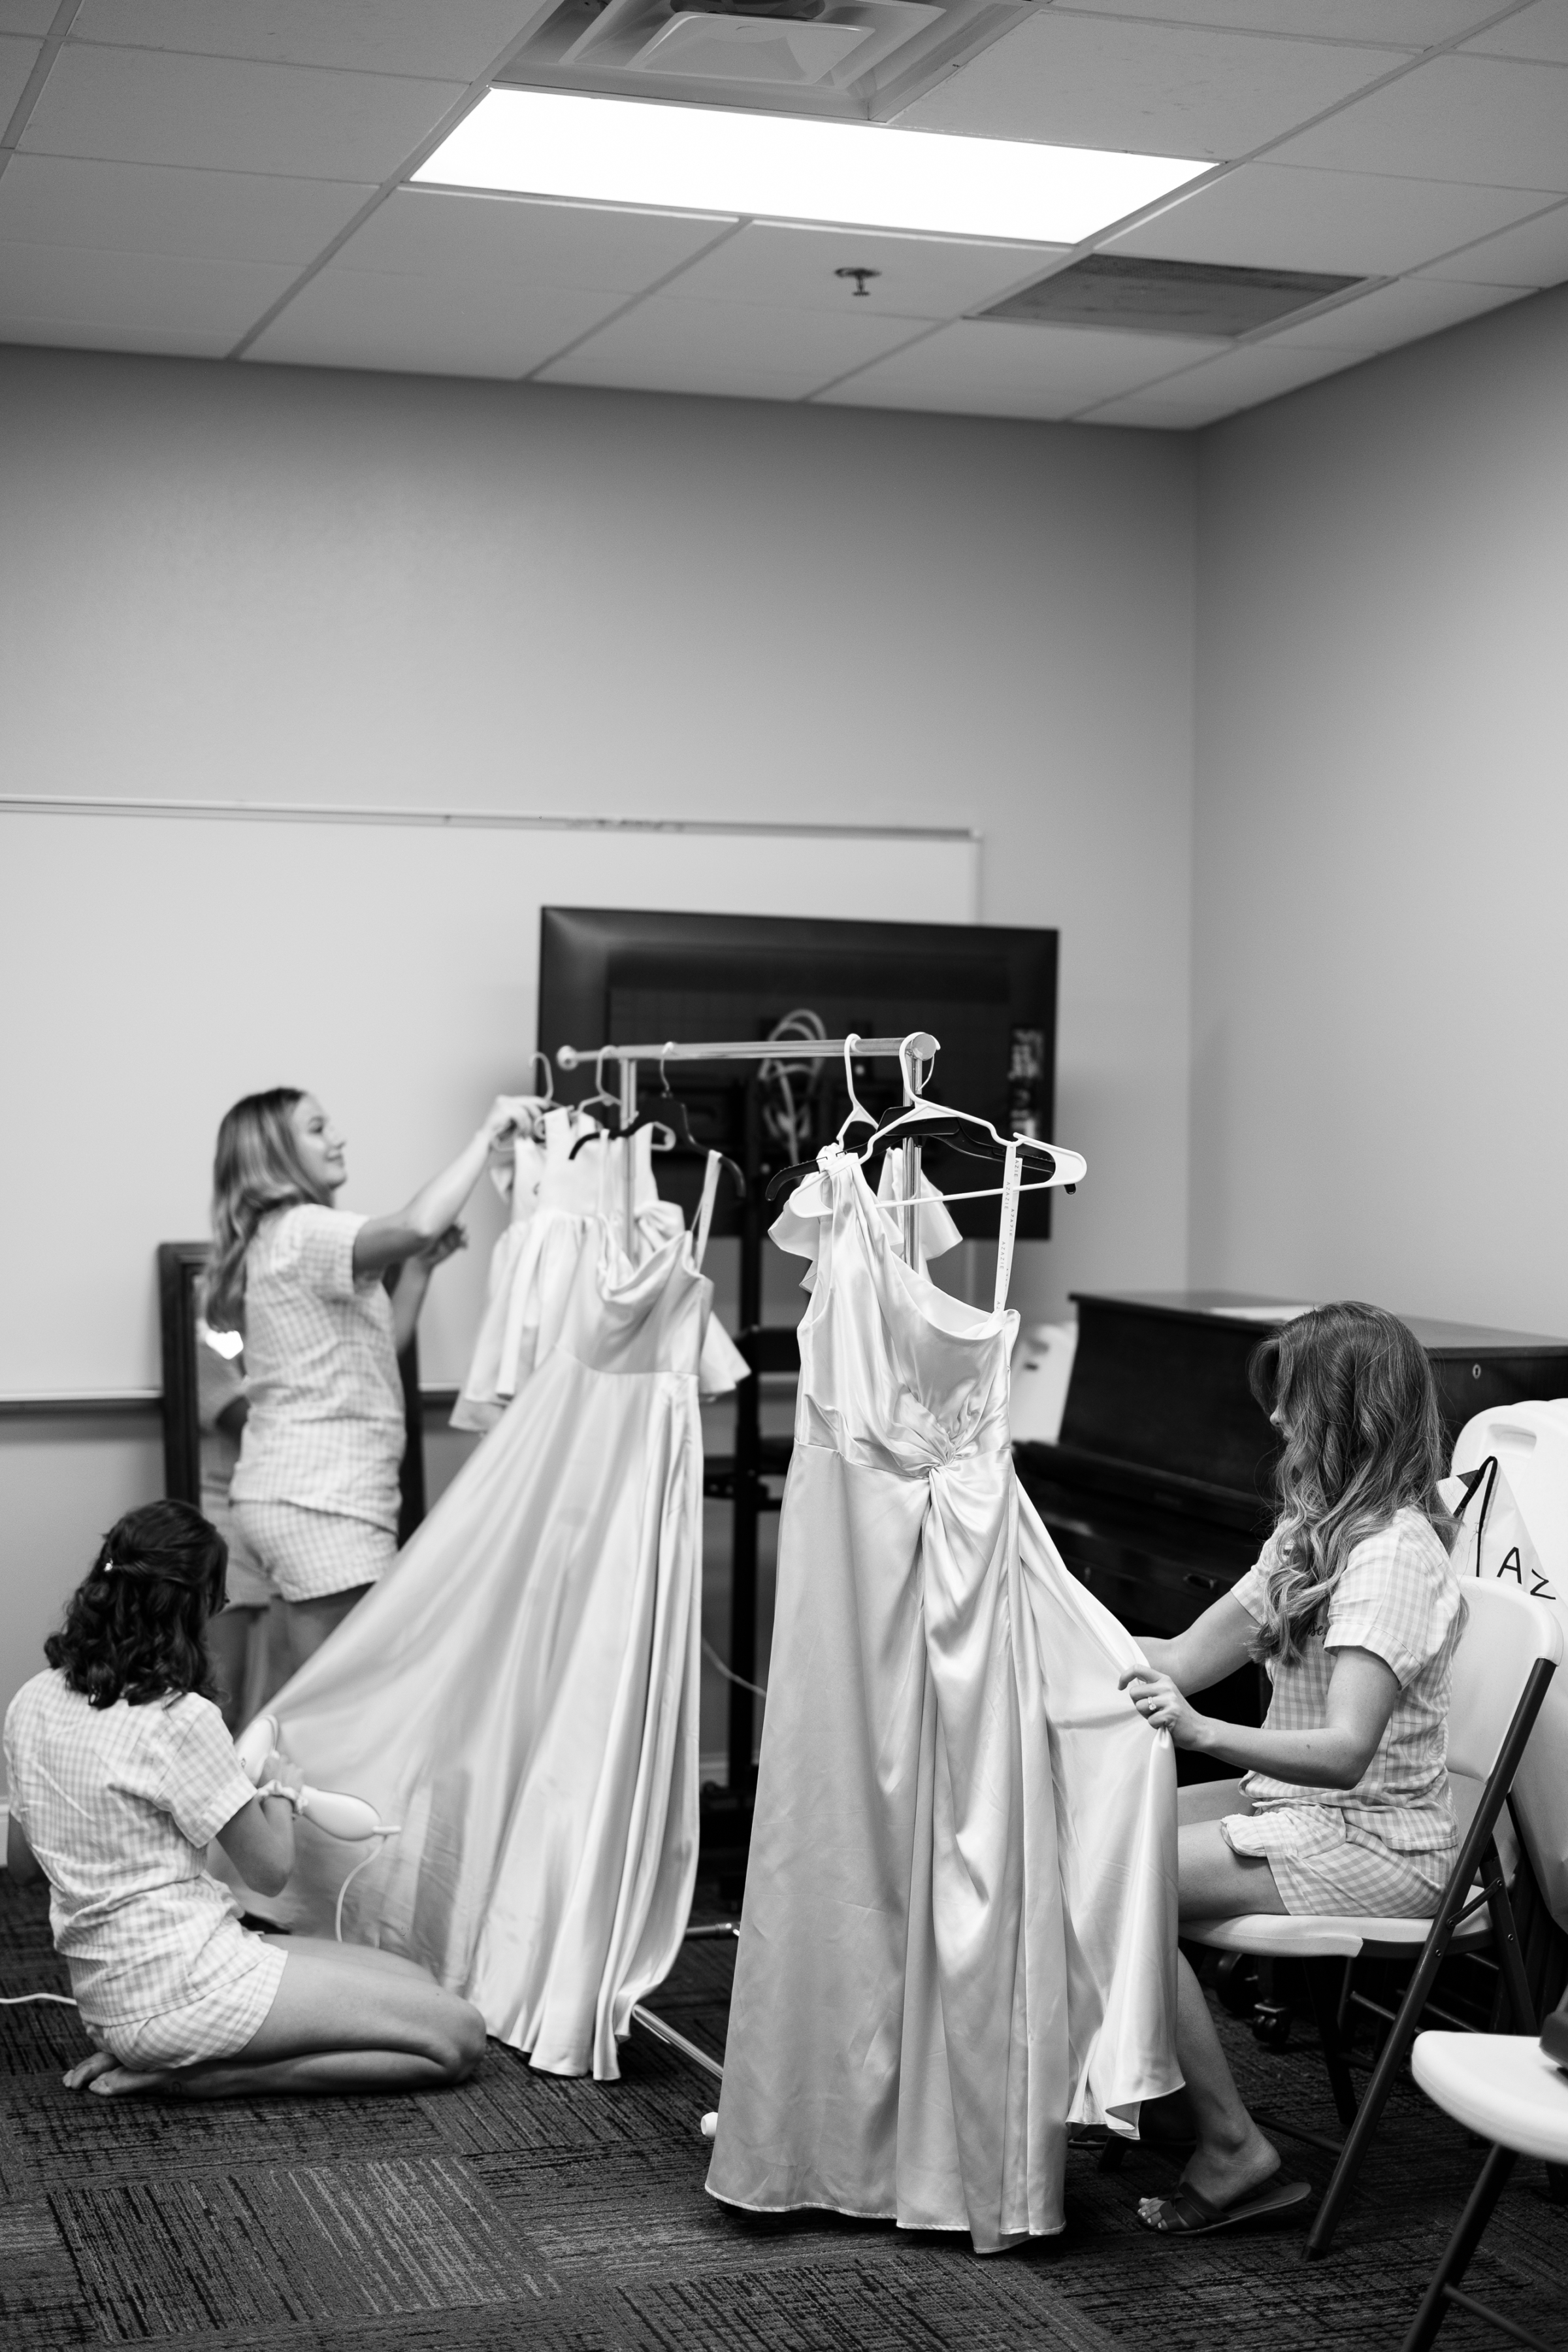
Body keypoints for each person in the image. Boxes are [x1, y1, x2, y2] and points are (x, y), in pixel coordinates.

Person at [1120, 1301, 1463, 2236]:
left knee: (1112, 1879)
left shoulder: (1394, 1556)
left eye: (1294, 1401)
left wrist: (1203, 1734)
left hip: (1382, 1843)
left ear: (1352, 1411)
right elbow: (1184, 1658)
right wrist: (1043, 1625)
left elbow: (1345, 1752)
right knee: (1094, 1841)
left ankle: (1234, 2148)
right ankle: (1170, 2104)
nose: (1275, 1422)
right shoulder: (1308, 1532)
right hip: (1303, 1813)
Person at [3, 1500, 485, 2100]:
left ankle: (172, 2053)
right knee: (459, 2037)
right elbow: (270, 1871)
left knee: (414, 1980)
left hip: (112, 1993)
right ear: (194, 1607)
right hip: (184, 1990)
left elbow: (21, 1867)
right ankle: (208, 2078)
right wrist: (277, 1789)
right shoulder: (180, 1718)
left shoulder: (31, 1700)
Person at [207, 1086, 524, 1673]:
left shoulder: (275, 1239)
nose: (338, 1138)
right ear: (275, 1152)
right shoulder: (304, 1228)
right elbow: (418, 1223)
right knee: (344, 1702)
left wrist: (422, 1270)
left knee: (297, 1704)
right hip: (324, 1504)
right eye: (318, 1128)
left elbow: (377, 1348)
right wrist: (485, 1139)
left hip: (283, 1494)